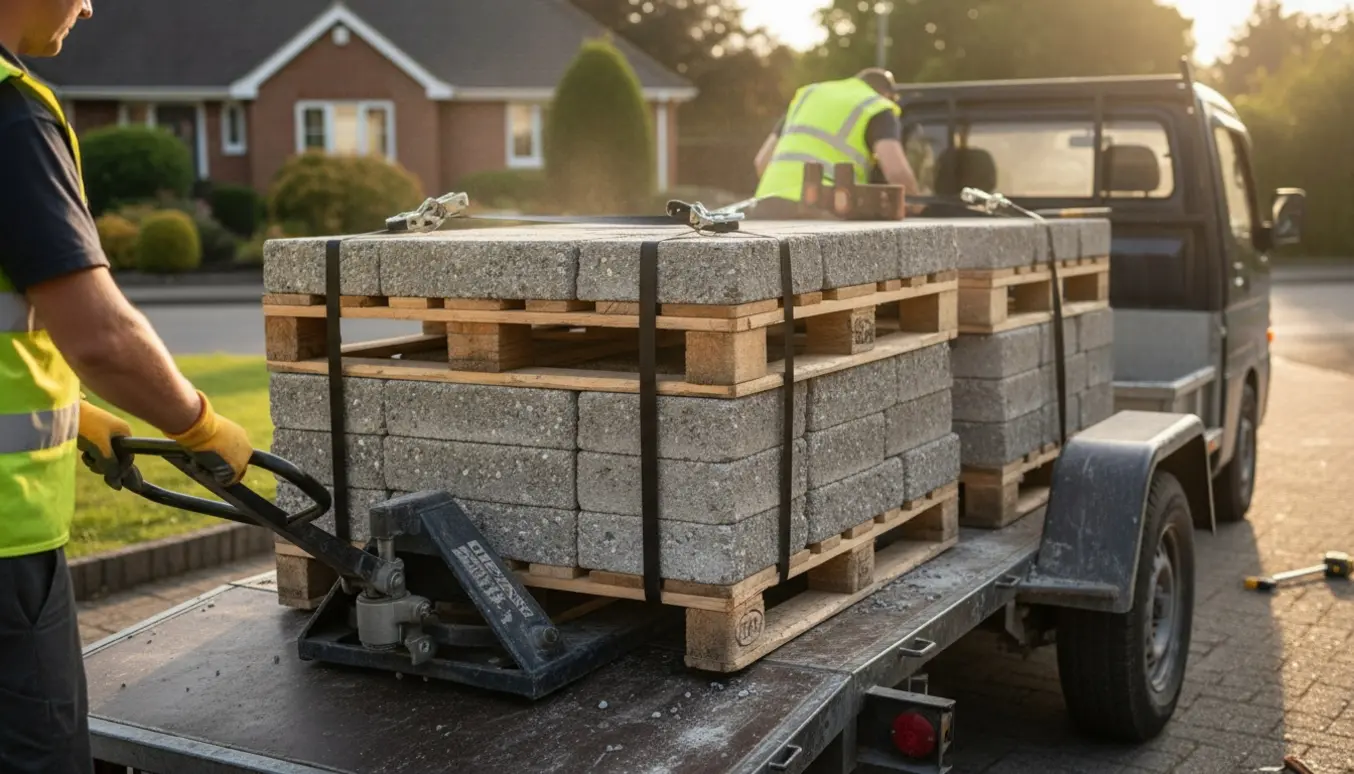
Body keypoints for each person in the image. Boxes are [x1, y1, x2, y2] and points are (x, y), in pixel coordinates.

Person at [0, 1, 253, 771]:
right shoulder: (12, 116)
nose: (87, 4)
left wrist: (71, 413)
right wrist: (199, 424)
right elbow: (102, 337)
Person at [752, 67, 922, 218]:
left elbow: (761, 162)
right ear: (888, 95)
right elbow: (897, 172)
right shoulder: (877, 105)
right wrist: (916, 201)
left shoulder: (808, 95)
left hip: (767, 203)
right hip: (825, 206)